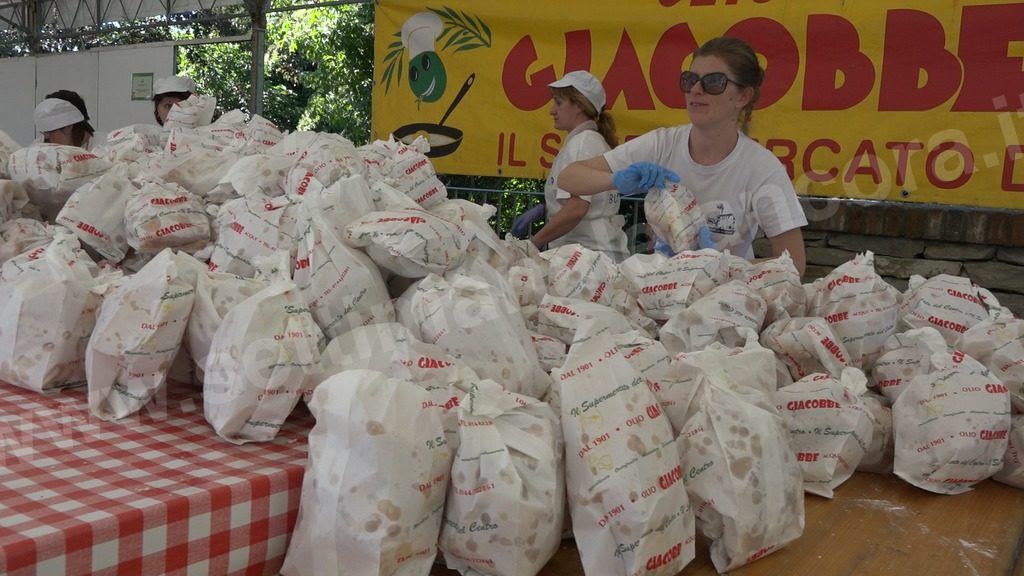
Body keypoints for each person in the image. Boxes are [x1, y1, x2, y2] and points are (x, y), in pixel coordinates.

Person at [558, 36, 808, 276]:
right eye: (690, 80)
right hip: (661, 291)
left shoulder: (762, 168)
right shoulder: (662, 144)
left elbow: (794, 264)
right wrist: (618, 180)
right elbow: (569, 177)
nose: (696, 90)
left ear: (743, 96)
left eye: (714, 82)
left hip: (725, 301)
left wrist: (717, 266)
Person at [510, 70, 630, 262]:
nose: (552, 110)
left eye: (558, 102)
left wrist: (532, 243)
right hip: (592, 256)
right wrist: (549, 208)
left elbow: (577, 207)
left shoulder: (581, 146)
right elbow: (586, 202)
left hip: (587, 258)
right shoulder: (589, 142)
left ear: (579, 106)